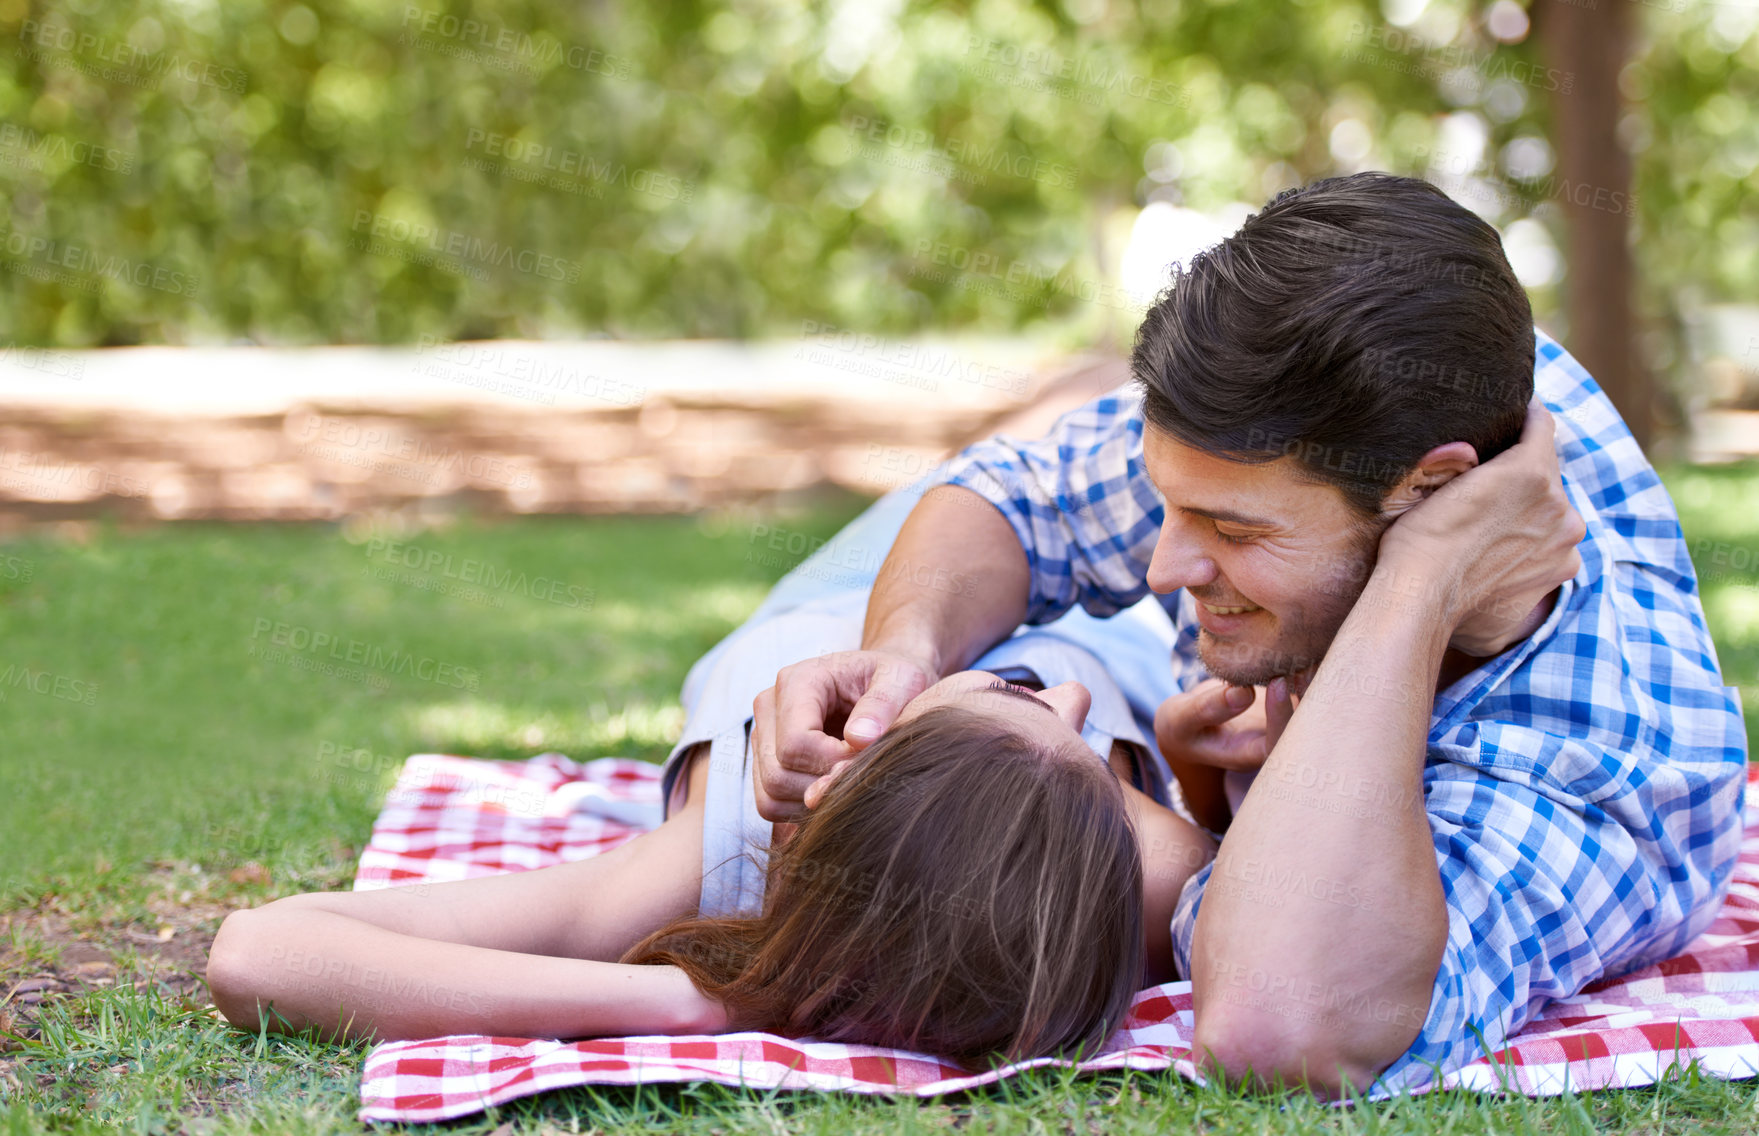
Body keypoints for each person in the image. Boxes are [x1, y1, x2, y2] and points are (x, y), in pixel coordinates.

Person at [751, 173, 1750, 1097]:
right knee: (801, 700)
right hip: (1125, 684)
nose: (1160, 564)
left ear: (1439, 490)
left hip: (1135, 699)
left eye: (1233, 530)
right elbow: (1020, 497)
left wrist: (1421, 580)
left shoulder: (1604, 769)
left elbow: (1280, 1025)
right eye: (1168, 505)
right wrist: (905, 656)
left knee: (781, 811)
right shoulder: (1384, 390)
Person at [205, 486, 1221, 1063]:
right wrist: (1184, 762)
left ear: (862, 752)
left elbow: (263, 949)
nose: (1071, 703)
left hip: (840, 602)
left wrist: (698, 1003)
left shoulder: (729, 843)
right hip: (1106, 615)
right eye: (1022, 691)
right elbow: (258, 953)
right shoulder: (1148, 862)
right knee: (1045, 455)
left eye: (1015, 690)